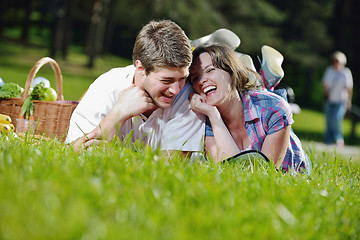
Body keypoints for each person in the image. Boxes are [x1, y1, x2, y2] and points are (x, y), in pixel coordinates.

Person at [66, 20, 205, 154]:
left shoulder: (189, 98)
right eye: (166, 80)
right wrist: (118, 114)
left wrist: (115, 155)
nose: (176, 90)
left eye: (182, 78)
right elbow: (73, 152)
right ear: (140, 68)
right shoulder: (107, 86)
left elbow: (170, 167)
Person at [189, 44, 311, 174]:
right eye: (195, 77)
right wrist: (213, 115)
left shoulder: (275, 108)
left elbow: (265, 175)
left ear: (231, 71)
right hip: (246, 100)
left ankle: (265, 82)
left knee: (271, 102)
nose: (201, 80)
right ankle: (263, 81)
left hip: (290, 172)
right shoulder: (205, 120)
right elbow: (229, 172)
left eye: (210, 70)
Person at [322, 51, 353, 147]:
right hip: (329, 100)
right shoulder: (329, 70)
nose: (335, 63)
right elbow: (324, 84)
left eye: (337, 61)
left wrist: (349, 101)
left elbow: (348, 88)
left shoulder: (346, 72)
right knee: (328, 120)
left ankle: (339, 139)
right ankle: (328, 140)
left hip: (341, 100)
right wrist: (325, 93)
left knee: (336, 119)